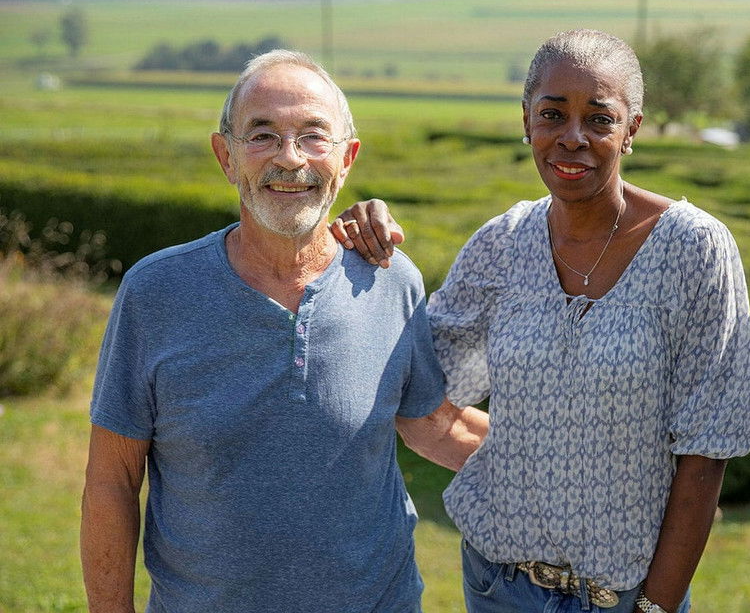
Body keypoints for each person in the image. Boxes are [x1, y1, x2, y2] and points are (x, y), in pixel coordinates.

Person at [333, 29, 750, 613]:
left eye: (599, 118)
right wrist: (356, 244)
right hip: (498, 587)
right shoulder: (502, 244)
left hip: (627, 597)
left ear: (632, 128)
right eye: (552, 114)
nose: (572, 138)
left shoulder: (695, 248)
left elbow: (707, 454)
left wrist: (654, 607)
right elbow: (413, 387)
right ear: (526, 120)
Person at [81, 50, 488, 612]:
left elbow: (434, 424)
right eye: (262, 135)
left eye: (313, 136)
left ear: (347, 159)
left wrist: (579, 453)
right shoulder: (155, 293)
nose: (290, 159)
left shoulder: (393, 282)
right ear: (225, 155)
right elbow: (112, 481)